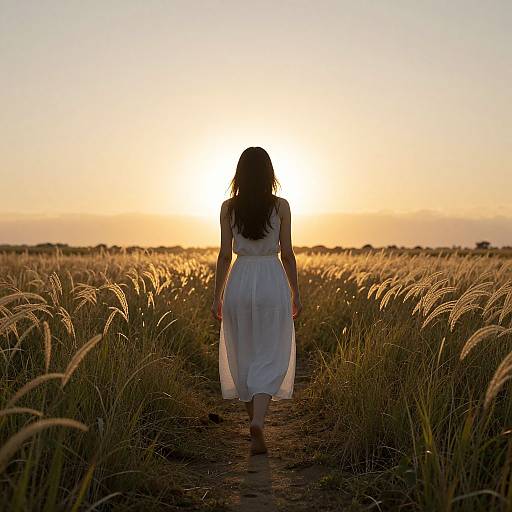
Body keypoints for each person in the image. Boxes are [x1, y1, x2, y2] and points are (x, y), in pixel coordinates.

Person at [211, 146, 302, 455]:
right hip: (271, 280)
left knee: (244, 351)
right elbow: (287, 253)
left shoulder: (227, 208)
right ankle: (259, 422)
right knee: (271, 350)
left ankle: (255, 424)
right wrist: (295, 292)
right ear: (269, 173)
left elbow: (224, 255)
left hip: (239, 281)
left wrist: (217, 296)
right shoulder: (281, 206)